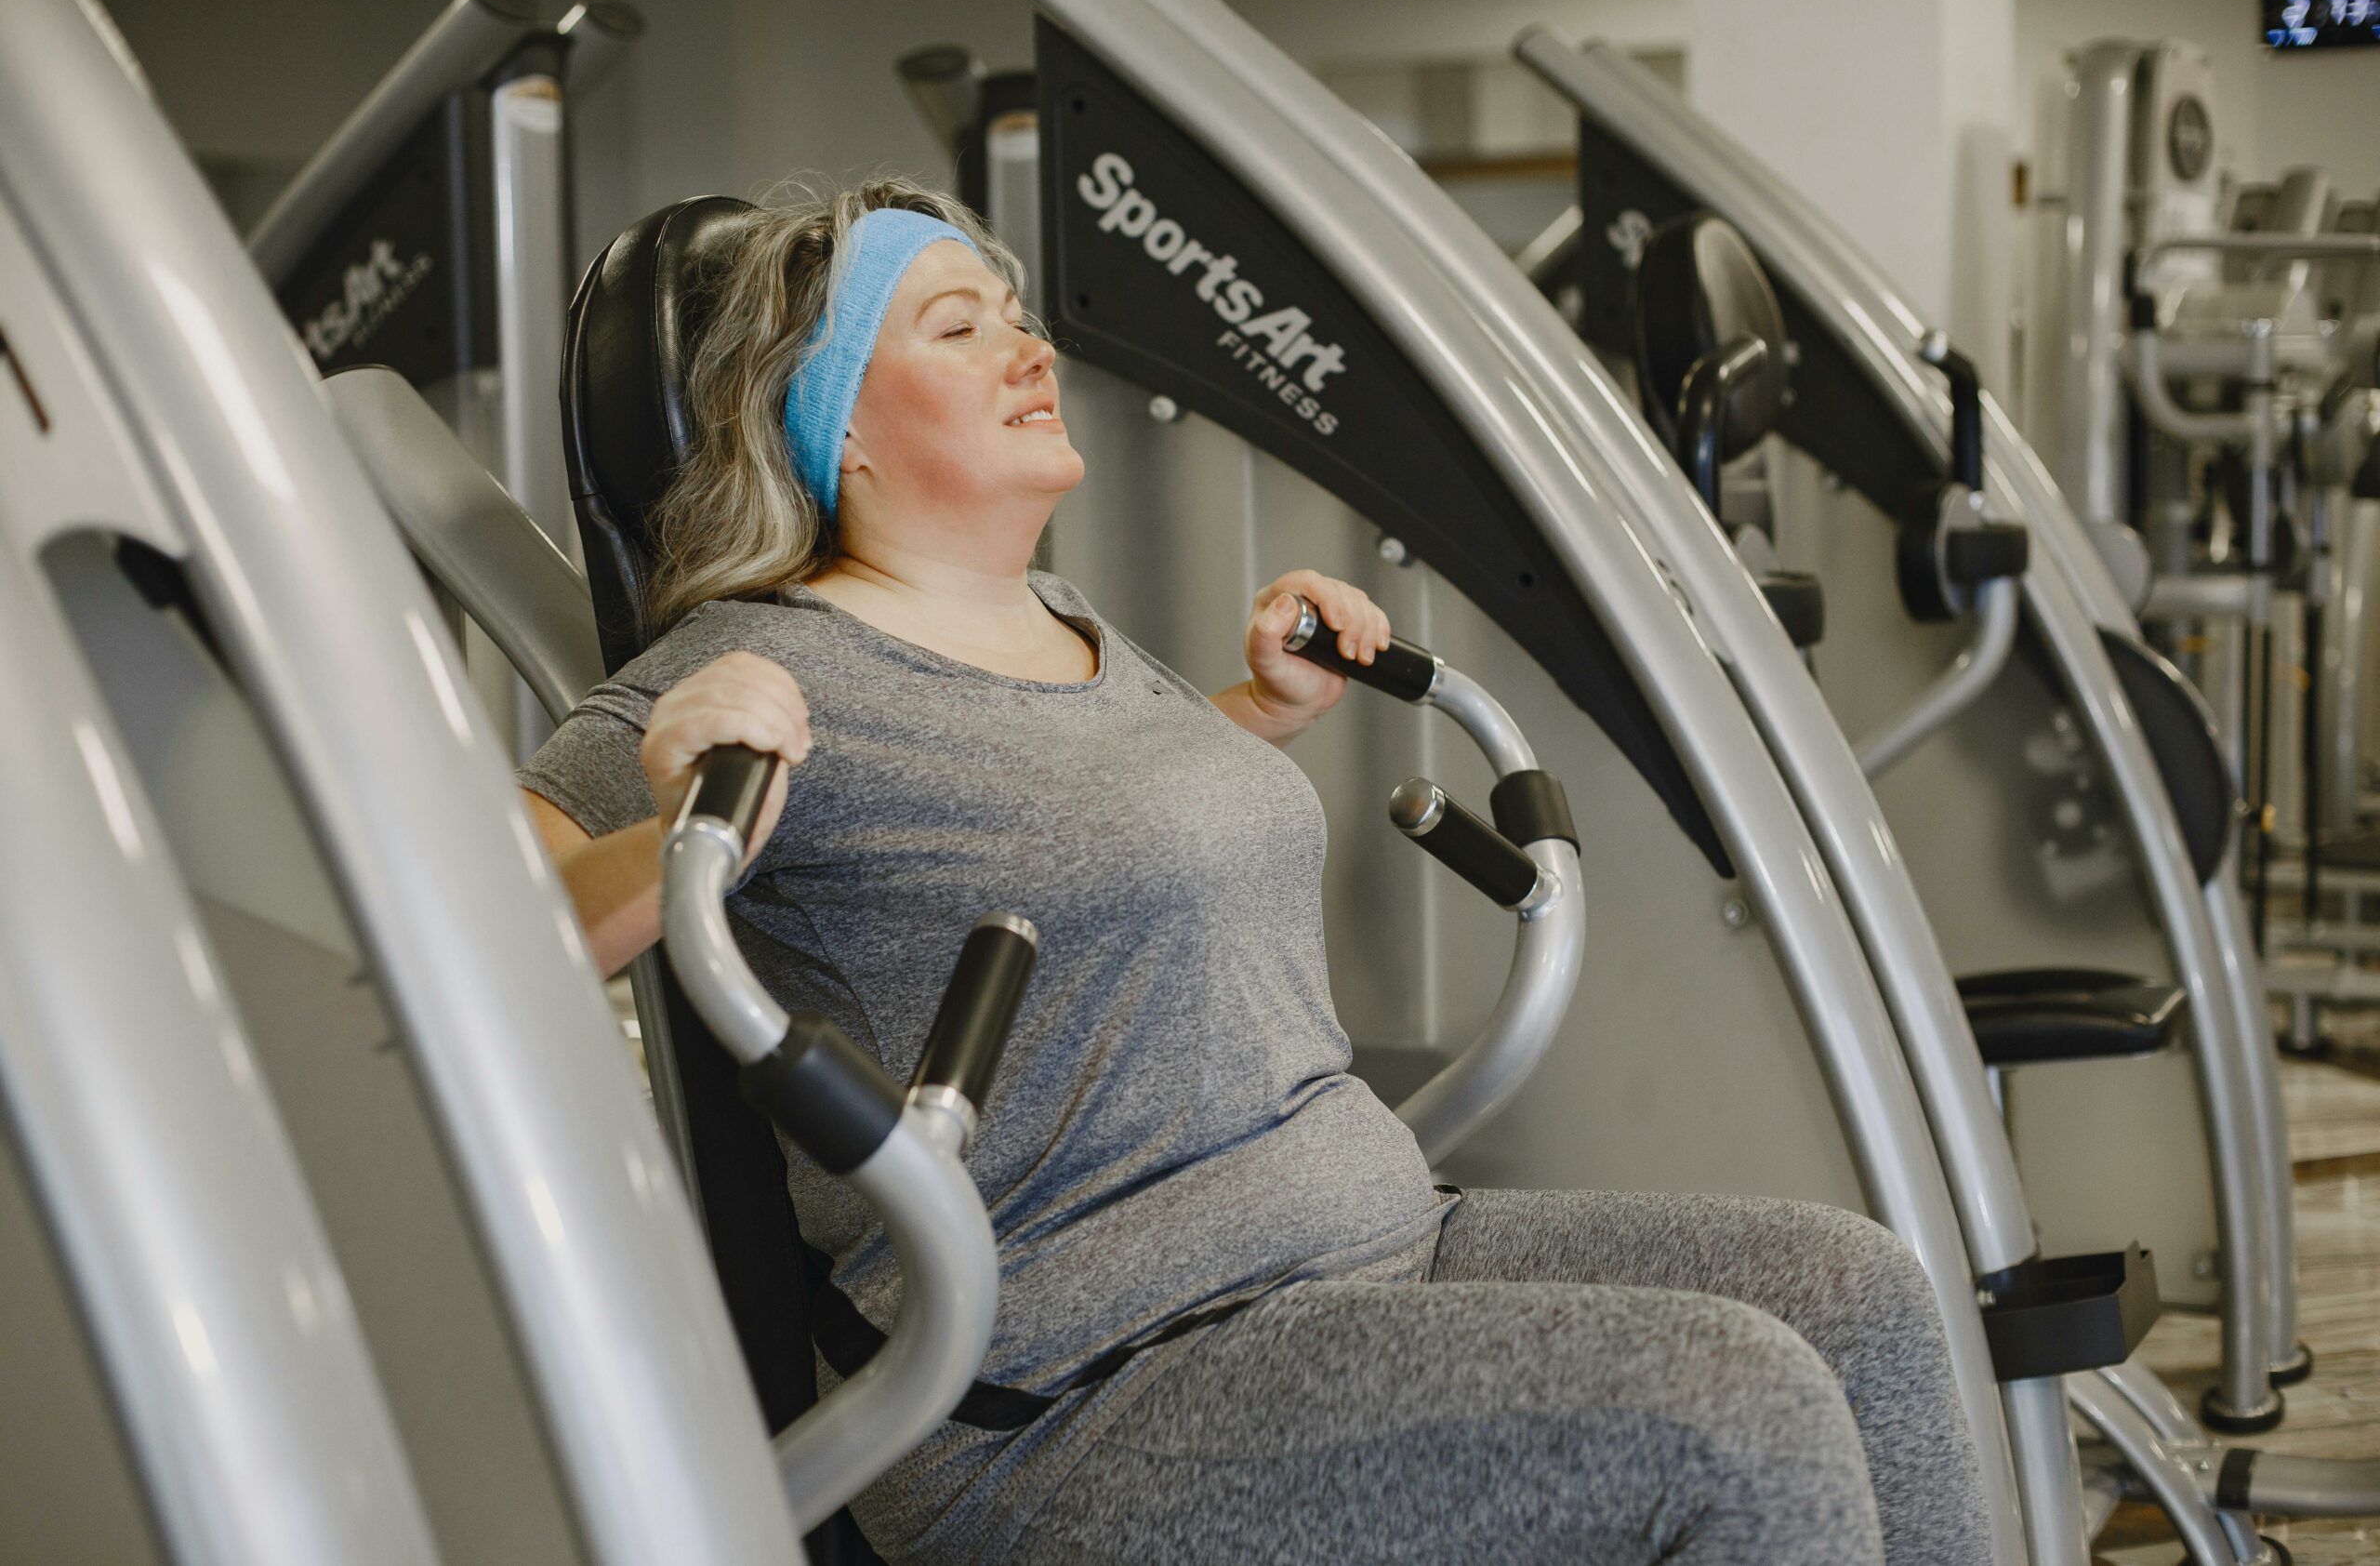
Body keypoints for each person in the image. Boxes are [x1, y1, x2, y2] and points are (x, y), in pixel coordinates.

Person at [519, 179, 1989, 1566]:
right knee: (1731, 1417)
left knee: (1858, 1298)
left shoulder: (1062, 617)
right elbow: (485, 943)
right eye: (957, 327)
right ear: (834, 429)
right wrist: (689, 828)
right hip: (1091, 1379)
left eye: (1016, 311)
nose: (1027, 345)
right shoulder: (743, 672)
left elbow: (1067, 836)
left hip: (1368, 1245)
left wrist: (1257, 719)